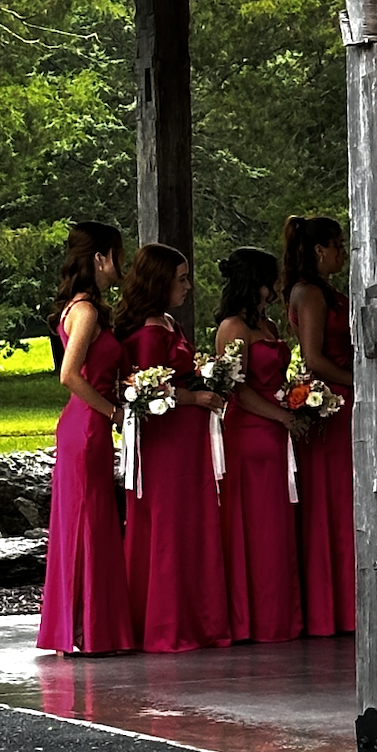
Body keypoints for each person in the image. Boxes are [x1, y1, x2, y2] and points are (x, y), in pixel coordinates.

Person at [115, 244, 232, 651]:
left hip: (187, 441)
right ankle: (167, 624)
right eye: (181, 278)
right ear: (160, 281)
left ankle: (196, 618)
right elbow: (150, 390)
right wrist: (194, 398)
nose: (188, 285)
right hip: (166, 443)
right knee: (168, 527)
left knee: (190, 527)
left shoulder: (166, 321)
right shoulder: (148, 331)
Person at [36, 222, 135, 656]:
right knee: (87, 523)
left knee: (89, 522)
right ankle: (84, 631)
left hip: (87, 426)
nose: (121, 264)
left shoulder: (85, 307)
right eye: (117, 255)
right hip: (87, 428)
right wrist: (113, 410)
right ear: (100, 258)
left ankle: (84, 629)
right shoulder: (87, 311)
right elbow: (69, 375)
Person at [215, 248, 304, 642]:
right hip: (250, 432)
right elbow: (237, 389)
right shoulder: (233, 327)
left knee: (277, 528)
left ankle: (279, 616)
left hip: (276, 428)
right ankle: (253, 619)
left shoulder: (267, 325)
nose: (277, 286)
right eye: (271, 279)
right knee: (256, 526)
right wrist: (281, 415)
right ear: (256, 281)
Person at [284, 214, 355, 636]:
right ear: (318, 251)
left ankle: (347, 597)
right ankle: (335, 604)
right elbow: (313, 357)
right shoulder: (309, 293)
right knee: (335, 499)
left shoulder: (325, 290)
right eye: (338, 246)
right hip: (333, 399)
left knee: (346, 497)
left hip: (342, 395)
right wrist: (359, 382)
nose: (342, 254)